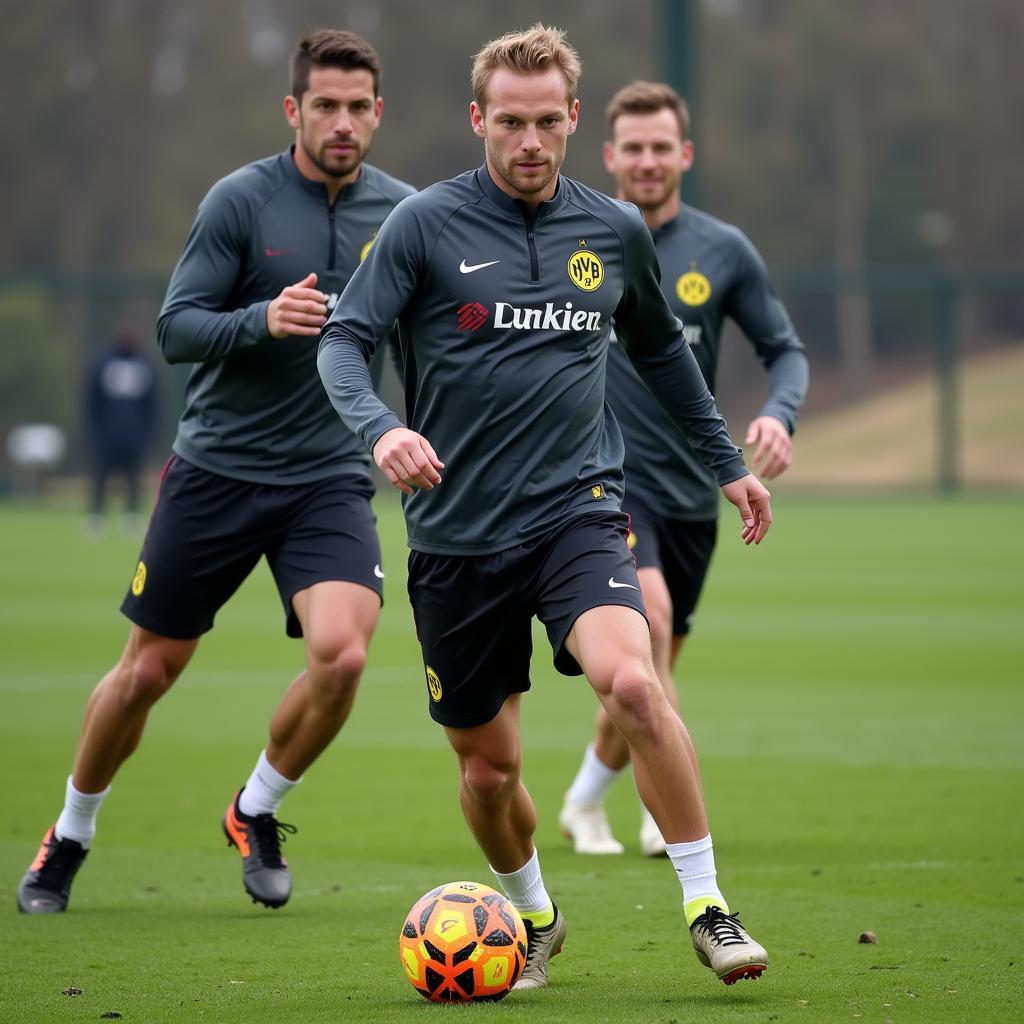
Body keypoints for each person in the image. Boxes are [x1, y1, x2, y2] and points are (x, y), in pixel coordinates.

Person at [319, 24, 772, 990]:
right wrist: (382, 432)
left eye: (548, 122)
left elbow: (661, 353)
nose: (531, 142)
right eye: (510, 123)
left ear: (574, 119)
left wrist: (726, 462)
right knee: (488, 776)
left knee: (638, 681)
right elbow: (342, 342)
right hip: (454, 537)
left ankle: (709, 906)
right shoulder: (424, 227)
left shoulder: (612, 231)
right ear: (478, 120)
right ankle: (532, 914)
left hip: (579, 511)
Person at [17, 29, 414, 915]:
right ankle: (70, 833)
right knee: (147, 673)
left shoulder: (406, 213)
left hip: (328, 477)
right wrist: (260, 320)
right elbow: (175, 329)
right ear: (294, 110)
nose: (343, 122)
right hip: (217, 471)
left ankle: (255, 808)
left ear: (378, 113)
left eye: (358, 108)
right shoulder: (240, 200)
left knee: (343, 656)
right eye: (325, 106)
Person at [559, 82, 809, 858]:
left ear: (685, 155)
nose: (646, 160)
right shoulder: (580, 236)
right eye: (631, 148)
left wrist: (779, 412)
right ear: (608, 156)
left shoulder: (724, 250)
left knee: (645, 666)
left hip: (691, 495)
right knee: (653, 625)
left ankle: (582, 801)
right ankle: (662, 809)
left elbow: (786, 351)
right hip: (602, 485)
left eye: (660, 146)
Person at [82, 324, 160, 540]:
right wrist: (93, 432)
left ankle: (132, 515)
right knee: (101, 475)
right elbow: (91, 400)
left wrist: (148, 434)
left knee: (134, 477)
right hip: (106, 434)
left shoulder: (145, 364)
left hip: (134, 435)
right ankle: (96, 516)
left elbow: (153, 404)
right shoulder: (102, 362)